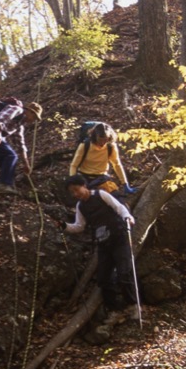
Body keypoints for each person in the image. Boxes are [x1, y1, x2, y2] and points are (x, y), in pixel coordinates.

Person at [62, 174, 137, 318]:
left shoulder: (100, 194)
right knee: (103, 278)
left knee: (124, 272)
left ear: (84, 185)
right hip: (103, 243)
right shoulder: (80, 206)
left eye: (77, 189)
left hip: (119, 237)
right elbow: (79, 226)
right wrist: (64, 226)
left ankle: (133, 306)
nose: (75, 194)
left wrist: (128, 217)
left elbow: (119, 207)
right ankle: (114, 309)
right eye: (72, 192)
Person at [0, 100, 42, 194]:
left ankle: (5, 184)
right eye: (34, 116)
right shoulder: (17, 110)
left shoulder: (20, 125)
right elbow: (1, 119)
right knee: (11, 156)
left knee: (6, 161)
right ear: (29, 111)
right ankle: (4, 185)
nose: (33, 120)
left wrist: (26, 163)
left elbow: (20, 143)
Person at [69, 122, 135, 194]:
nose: (102, 142)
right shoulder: (85, 145)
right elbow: (74, 165)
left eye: (105, 139)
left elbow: (117, 165)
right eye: (100, 140)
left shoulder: (111, 147)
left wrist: (125, 184)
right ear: (95, 137)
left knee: (114, 195)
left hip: (102, 178)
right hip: (85, 178)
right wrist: (74, 182)